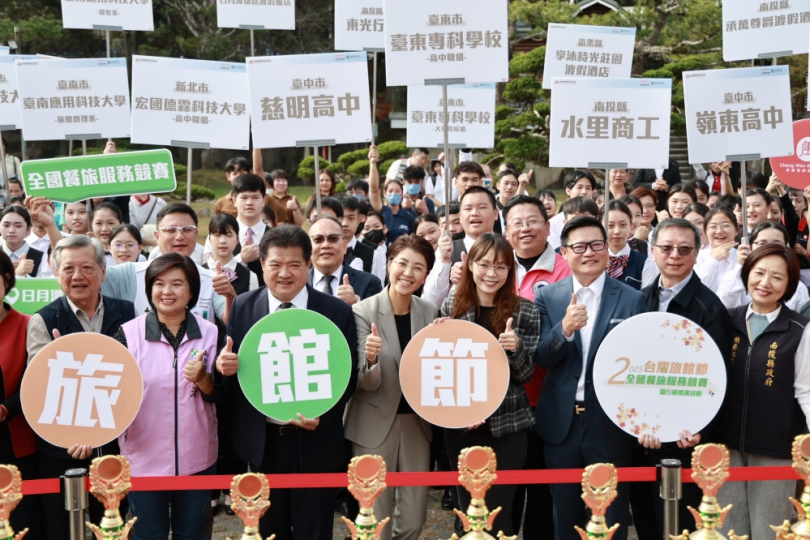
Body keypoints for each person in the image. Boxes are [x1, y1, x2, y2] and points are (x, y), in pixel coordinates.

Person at [215, 225, 358, 540]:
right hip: (264, 442)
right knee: (269, 531)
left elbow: (348, 377)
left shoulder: (335, 311)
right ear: (262, 265)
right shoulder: (243, 306)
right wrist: (222, 366)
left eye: (294, 264)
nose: (284, 273)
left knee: (315, 531)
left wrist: (324, 415)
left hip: (316, 440)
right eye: (275, 264)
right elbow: (233, 368)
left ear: (309, 265)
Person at [533, 216, 646, 540]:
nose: (589, 252)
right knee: (564, 517)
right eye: (579, 246)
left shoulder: (631, 298)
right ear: (564, 253)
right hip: (561, 424)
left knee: (610, 517)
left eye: (597, 244)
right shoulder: (549, 297)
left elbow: (640, 365)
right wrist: (564, 329)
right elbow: (541, 357)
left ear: (607, 250)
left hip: (610, 423)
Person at [26, 235, 136, 540]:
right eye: (68, 268)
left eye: (87, 267)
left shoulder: (128, 313)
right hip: (61, 449)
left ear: (103, 271)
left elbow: (135, 378)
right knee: (61, 529)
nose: (78, 276)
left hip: (115, 447)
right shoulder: (44, 320)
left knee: (112, 527)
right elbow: (41, 390)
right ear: (57, 274)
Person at [631, 218, 732, 540]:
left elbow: (717, 380)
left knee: (679, 526)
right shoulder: (638, 299)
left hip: (686, 439)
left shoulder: (709, 308)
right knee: (646, 520)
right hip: (640, 434)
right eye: (667, 247)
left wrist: (701, 429)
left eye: (684, 249)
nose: (675, 255)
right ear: (653, 250)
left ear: (697, 252)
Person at [439, 233, 541, 538]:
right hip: (460, 424)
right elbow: (444, 371)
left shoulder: (525, 310)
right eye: (484, 264)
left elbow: (526, 375)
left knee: (499, 514)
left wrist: (515, 348)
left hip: (508, 425)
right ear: (470, 266)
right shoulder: (451, 307)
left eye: (500, 267)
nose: (491, 273)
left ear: (510, 271)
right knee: (465, 511)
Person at [113, 253, 219, 540]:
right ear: (149, 290)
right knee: (148, 534)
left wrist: (203, 379)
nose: (167, 292)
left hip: (197, 457)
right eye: (159, 284)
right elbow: (114, 395)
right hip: (142, 459)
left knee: (191, 533)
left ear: (192, 291)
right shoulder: (128, 334)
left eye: (177, 284)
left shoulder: (210, 333)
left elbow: (217, 396)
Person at [344, 235, 437, 540]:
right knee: (374, 519)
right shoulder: (363, 311)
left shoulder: (430, 313)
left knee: (413, 519)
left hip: (416, 425)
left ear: (426, 275)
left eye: (418, 268)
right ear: (389, 264)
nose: (408, 273)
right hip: (372, 424)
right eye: (402, 263)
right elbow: (364, 381)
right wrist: (370, 358)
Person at [716, 244, 810, 540]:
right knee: (729, 530)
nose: (765, 283)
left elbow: (806, 390)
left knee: (770, 531)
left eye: (777, 277)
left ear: (789, 285)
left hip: (776, 451)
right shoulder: (725, 321)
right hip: (724, 446)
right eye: (759, 273)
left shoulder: (799, 329)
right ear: (747, 274)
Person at [503, 195, 569, 540]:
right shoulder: (495, 267)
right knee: (506, 490)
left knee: (543, 490)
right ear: (506, 229)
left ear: (548, 226)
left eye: (533, 220)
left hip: (549, 396)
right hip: (505, 399)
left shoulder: (566, 268)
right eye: (517, 222)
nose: (525, 228)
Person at [0, 250, 40, 538]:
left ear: (6, 280)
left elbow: (35, 381)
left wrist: (4, 409)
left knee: (22, 525)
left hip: (16, 442)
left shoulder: (27, 324)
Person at [422, 187, 499, 308]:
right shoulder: (445, 250)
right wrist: (445, 263)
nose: (474, 213)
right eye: (468, 209)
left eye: (482, 207)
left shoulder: (508, 249)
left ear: (495, 213)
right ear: (461, 216)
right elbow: (431, 303)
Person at [717, 222, 810, 311]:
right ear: (750, 248)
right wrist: (741, 266)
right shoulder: (734, 278)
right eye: (762, 243)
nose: (769, 249)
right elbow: (723, 305)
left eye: (776, 244)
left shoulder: (798, 287)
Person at [205, 174, 269, 285]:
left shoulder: (274, 236)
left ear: (264, 200)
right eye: (244, 198)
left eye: (255, 197)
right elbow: (207, 271)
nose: (249, 202)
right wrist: (241, 259)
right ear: (234, 200)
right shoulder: (216, 235)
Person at [307, 216, 382, 305]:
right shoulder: (297, 284)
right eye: (318, 240)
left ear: (344, 246)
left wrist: (355, 303)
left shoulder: (369, 283)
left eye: (333, 239)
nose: (326, 245)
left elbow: (377, 318)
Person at [604, 200, 657, 290]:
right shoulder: (592, 261)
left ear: (630, 225)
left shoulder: (646, 265)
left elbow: (646, 300)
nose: (617, 231)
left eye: (623, 225)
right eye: (610, 225)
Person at [335, 194, 385, 284]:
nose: (345, 223)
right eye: (340, 218)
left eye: (351, 218)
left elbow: (377, 293)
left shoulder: (373, 255)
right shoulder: (319, 251)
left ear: (359, 221)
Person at [205, 214, 259, 294]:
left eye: (229, 235)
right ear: (209, 239)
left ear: (237, 240)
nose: (223, 241)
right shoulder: (198, 273)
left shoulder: (250, 277)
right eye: (217, 235)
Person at [548, 170, 598, 249]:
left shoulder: (599, 218)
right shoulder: (553, 224)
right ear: (568, 190)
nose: (584, 192)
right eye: (579, 187)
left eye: (588, 188)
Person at [695, 207, 739, 292]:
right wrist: (712, 261)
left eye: (725, 225)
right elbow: (693, 289)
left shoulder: (743, 259)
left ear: (737, 230)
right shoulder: (696, 257)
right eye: (713, 226)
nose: (719, 231)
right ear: (706, 231)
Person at [1, 207, 47, 277]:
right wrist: (17, 274)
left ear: (28, 229)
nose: (11, 230)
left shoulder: (41, 257)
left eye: (18, 226)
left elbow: (43, 286)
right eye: (6, 225)